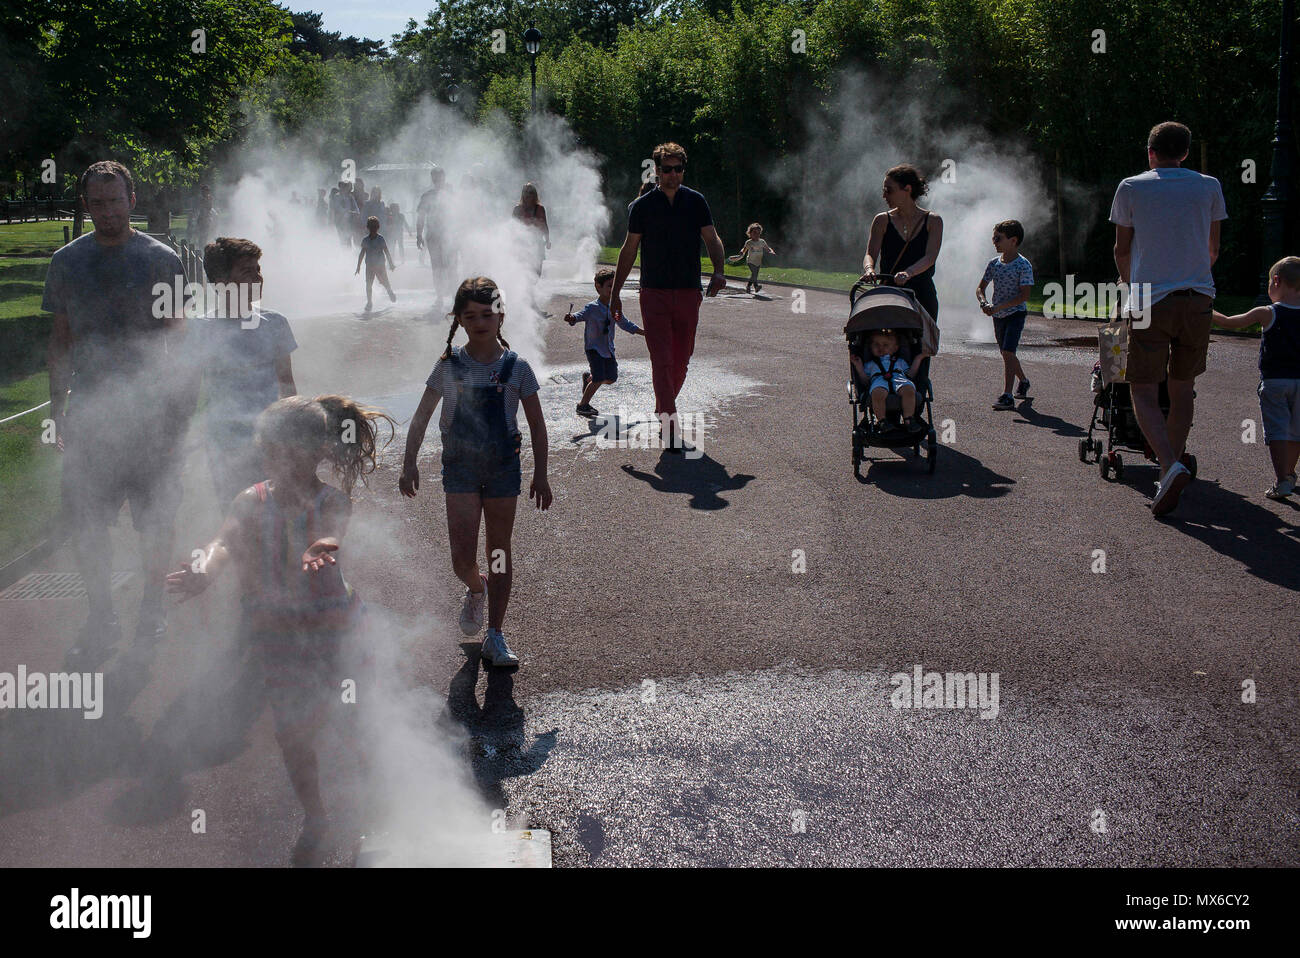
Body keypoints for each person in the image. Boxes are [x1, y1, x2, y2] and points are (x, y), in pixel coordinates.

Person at [166, 394, 394, 866]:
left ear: (317, 453)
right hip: (277, 634)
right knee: (292, 733)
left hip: (336, 630)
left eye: (294, 451)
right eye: (273, 451)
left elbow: (334, 534)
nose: (282, 461)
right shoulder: (251, 500)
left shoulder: (333, 499)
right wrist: (204, 570)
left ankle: (375, 811)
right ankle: (316, 816)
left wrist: (319, 547)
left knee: (354, 721)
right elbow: (223, 540)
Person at [43, 160, 196, 658]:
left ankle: (152, 606)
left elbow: (179, 337)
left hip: (151, 411)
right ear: (85, 205)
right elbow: (60, 340)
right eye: (96, 202)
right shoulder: (66, 261)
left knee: (155, 518)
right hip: (91, 410)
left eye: (114, 201)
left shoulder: (160, 258)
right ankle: (102, 610)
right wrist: (57, 407)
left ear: (132, 201)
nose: (105, 212)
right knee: (88, 520)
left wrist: (180, 406)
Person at [399, 277, 551, 668]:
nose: (480, 322)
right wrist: (409, 462)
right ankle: (475, 586)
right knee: (461, 557)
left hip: (503, 470)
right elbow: (421, 416)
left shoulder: (517, 368)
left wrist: (541, 474)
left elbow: (536, 424)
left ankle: (496, 635)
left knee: (499, 551)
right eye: (471, 316)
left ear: (501, 315)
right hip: (461, 468)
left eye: (487, 313)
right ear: (459, 320)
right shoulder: (449, 366)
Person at [1111, 121, 1227, 517]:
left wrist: (1131, 285)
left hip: (1148, 298)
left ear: (1150, 152)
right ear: (1186, 153)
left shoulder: (1131, 187)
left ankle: (1168, 464)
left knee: (1142, 388)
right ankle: (1170, 467)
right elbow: (1212, 249)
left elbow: (1121, 250)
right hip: (1199, 297)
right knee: (1182, 389)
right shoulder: (1209, 186)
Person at [612, 142, 727, 453]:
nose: (672, 175)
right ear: (657, 170)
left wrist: (719, 269)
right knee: (661, 360)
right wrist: (615, 293)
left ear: (682, 170)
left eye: (678, 169)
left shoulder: (696, 202)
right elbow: (628, 250)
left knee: (681, 360)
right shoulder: (642, 207)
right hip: (654, 294)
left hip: (689, 291)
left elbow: (711, 238)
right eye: (666, 169)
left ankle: (663, 402)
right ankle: (669, 424)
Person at [193, 236, 298, 506]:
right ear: (222, 281)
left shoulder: (274, 323)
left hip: (269, 439)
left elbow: (286, 383)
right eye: (246, 272)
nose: (257, 278)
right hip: (225, 443)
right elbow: (189, 390)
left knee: (276, 513)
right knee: (235, 513)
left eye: (258, 270)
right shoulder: (202, 329)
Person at [1211, 256, 1300, 499]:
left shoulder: (1267, 312)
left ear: (1276, 281)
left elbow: (1229, 323)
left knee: (1277, 431)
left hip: (1274, 381)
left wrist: (1207, 309)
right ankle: (1290, 473)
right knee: (1296, 431)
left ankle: (1282, 479)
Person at [861, 164, 944, 323]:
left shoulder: (933, 221)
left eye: (889, 190)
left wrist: (909, 273)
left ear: (907, 189)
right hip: (890, 290)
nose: (884, 195)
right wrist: (869, 269)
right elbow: (870, 254)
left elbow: (930, 257)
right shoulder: (882, 220)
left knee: (923, 342)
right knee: (883, 339)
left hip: (921, 292)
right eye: (884, 190)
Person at [564, 266, 644, 417]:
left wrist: (644, 332)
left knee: (611, 378)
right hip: (594, 348)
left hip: (608, 349)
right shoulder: (592, 308)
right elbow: (579, 315)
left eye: (614, 286)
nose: (612, 289)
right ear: (598, 287)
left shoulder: (615, 307)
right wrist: (571, 318)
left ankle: (589, 378)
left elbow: (624, 323)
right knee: (600, 377)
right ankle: (583, 405)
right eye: (609, 286)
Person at [978, 219, 1034, 409]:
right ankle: (1024, 381)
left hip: (1015, 314)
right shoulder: (994, 264)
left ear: (1013, 240)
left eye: (998, 238)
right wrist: (984, 302)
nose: (994, 241)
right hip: (998, 315)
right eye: (994, 237)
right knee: (1006, 353)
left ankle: (1007, 395)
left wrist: (999, 307)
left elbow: (1024, 296)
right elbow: (980, 288)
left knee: (1008, 352)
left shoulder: (1023, 265)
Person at [851, 329, 930, 434]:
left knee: (909, 389)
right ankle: (882, 421)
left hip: (899, 379)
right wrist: (859, 367)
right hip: (879, 381)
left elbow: (910, 375)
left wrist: (918, 359)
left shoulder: (900, 361)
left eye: (885, 345)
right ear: (871, 347)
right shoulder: (870, 364)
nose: (880, 347)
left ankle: (909, 419)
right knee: (877, 393)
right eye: (876, 345)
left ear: (895, 348)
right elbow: (865, 381)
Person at [416, 166, 452, 292]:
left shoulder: (451, 194)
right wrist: (419, 235)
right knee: (437, 265)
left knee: (447, 264)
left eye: (440, 177)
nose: (438, 179)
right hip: (434, 235)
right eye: (436, 177)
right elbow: (421, 217)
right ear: (432, 178)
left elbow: (461, 214)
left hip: (448, 234)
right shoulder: (427, 196)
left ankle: (449, 293)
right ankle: (440, 294)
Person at [355, 215, 397, 309]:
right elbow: (362, 253)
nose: (373, 229)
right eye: (371, 227)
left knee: (384, 281)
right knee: (368, 284)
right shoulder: (365, 240)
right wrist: (358, 266)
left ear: (378, 227)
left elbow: (386, 251)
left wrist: (391, 263)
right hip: (369, 266)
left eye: (374, 227)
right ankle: (369, 302)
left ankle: (389, 292)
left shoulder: (380, 239)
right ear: (368, 228)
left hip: (380, 265)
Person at [512, 182, 550, 273]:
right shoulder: (517, 209)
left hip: (537, 244)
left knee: (537, 272)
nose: (528, 195)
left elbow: (544, 225)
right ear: (522, 195)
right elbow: (512, 228)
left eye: (530, 193)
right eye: (526, 192)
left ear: (534, 195)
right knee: (523, 270)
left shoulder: (540, 209)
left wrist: (548, 240)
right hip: (522, 244)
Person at [727, 223, 776, 293]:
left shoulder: (762, 241)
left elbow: (768, 248)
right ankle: (756, 287)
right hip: (750, 261)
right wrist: (741, 253)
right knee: (754, 274)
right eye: (755, 233)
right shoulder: (749, 242)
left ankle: (748, 286)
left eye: (759, 233)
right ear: (750, 233)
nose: (757, 234)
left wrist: (771, 251)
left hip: (758, 262)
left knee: (754, 275)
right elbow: (744, 249)